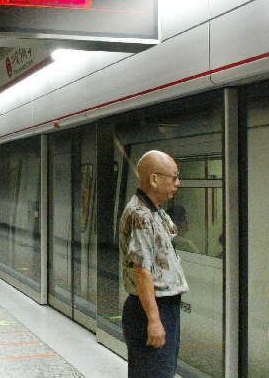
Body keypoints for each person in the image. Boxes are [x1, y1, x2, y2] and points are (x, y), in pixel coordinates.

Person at [119, 150, 188, 378]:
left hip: (162, 307)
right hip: (150, 309)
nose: (177, 182)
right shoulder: (140, 215)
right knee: (153, 372)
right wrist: (155, 320)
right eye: (173, 176)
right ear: (154, 179)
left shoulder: (153, 210)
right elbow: (141, 270)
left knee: (162, 371)